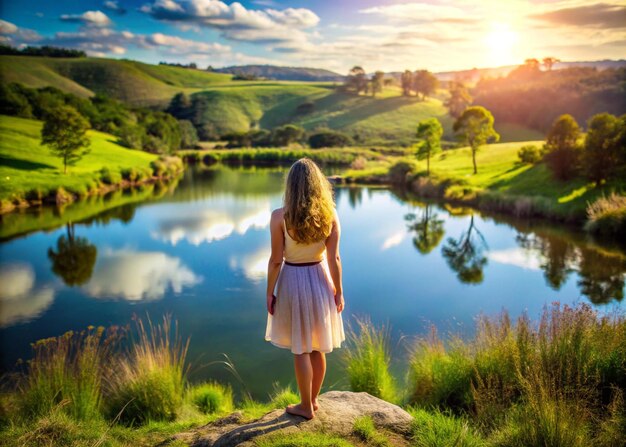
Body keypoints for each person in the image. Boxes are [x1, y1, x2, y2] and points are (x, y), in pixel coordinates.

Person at [265, 158, 345, 420]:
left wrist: (270, 291)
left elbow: (276, 259)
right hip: (321, 279)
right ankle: (312, 401)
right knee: (317, 347)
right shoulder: (330, 215)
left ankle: (305, 406)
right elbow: (334, 258)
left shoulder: (280, 216)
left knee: (301, 347)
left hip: (293, 279)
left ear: (291, 184)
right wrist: (339, 291)